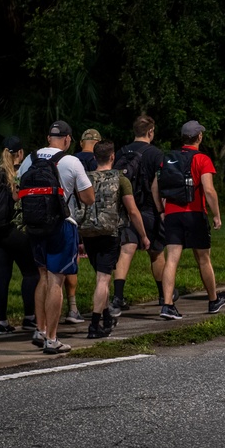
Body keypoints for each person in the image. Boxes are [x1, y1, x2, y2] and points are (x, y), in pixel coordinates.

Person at [17, 120, 94, 354]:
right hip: (62, 225)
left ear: (49, 137)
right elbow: (89, 197)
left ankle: (40, 330)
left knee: (42, 275)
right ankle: (52, 339)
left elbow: (16, 190)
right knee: (56, 280)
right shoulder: (71, 161)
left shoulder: (30, 159)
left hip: (34, 225)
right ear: (68, 139)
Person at [152, 120, 225, 319]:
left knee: (172, 259)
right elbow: (209, 190)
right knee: (203, 259)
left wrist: (161, 209)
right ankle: (213, 300)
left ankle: (167, 305)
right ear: (199, 137)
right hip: (194, 214)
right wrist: (217, 215)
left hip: (172, 214)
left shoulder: (168, 158)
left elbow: (155, 186)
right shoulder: (202, 159)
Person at [82, 140, 150, 337]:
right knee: (103, 280)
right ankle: (95, 325)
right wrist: (144, 236)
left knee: (100, 278)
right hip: (109, 234)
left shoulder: (86, 178)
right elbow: (133, 211)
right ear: (113, 157)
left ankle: (107, 318)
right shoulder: (120, 179)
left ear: (94, 158)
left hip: (88, 233)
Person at [0, 136, 41, 334]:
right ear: (20, 153)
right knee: (31, 272)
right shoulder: (20, 173)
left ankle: (2, 322)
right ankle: (30, 318)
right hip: (13, 233)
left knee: (0, 277)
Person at [111, 115, 172, 315]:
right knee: (156, 252)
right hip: (148, 210)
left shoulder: (121, 151)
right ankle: (164, 294)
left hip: (127, 208)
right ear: (150, 132)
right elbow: (156, 185)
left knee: (126, 251)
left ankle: (118, 296)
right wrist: (160, 210)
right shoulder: (156, 154)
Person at [64, 128, 102, 324]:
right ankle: (103, 305)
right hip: (93, 215)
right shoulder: (98, 161)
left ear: (80, 143)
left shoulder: (69, 160)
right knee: (101, 263)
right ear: (98, 144)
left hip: (71, 215)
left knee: (70, 261)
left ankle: (72, 305)